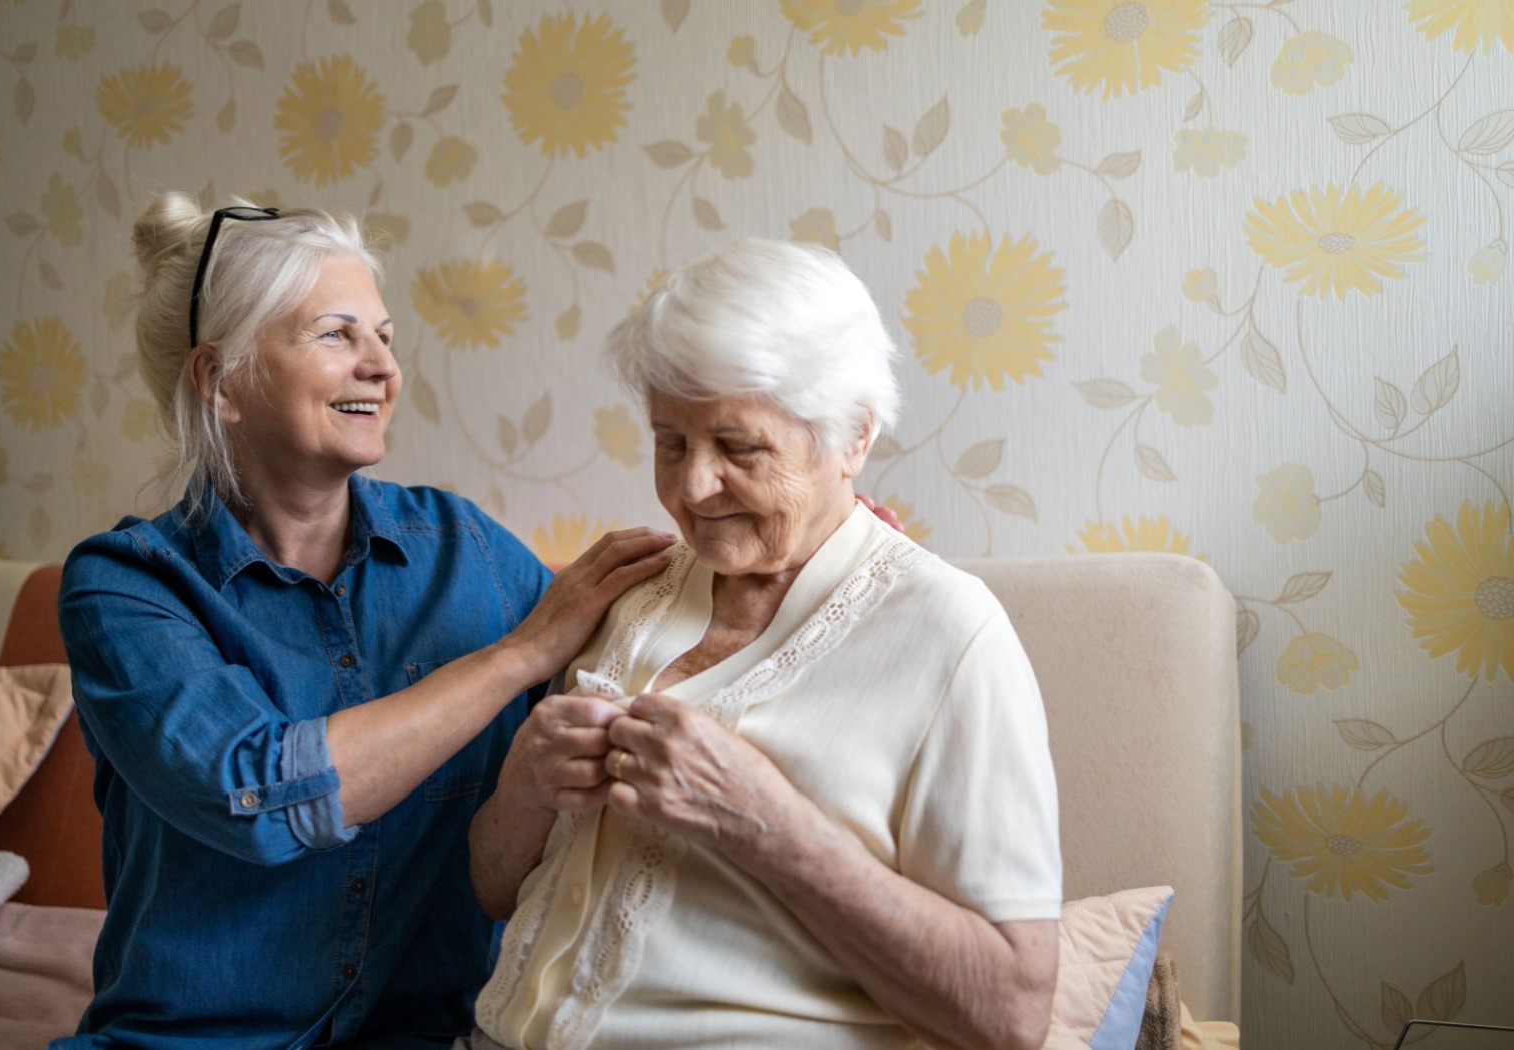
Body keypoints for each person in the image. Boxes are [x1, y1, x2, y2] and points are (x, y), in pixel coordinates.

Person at [53, 194, 677, 1049]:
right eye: (336, 334)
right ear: (220, 380)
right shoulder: (125, 588)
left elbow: (652, 646)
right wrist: (513, 658)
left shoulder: (464, 549)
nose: (382, 368)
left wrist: (814, 557)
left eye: (385, 337)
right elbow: (261, 799)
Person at [462, 238, 1063, 1050]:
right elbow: (494, 891)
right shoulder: (626, 589)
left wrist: (765, 823)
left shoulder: (951, 634)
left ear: (853, 437)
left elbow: (1011, 1015)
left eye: (739, 448)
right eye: (669, 442)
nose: (691, 487)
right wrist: (529, 778)